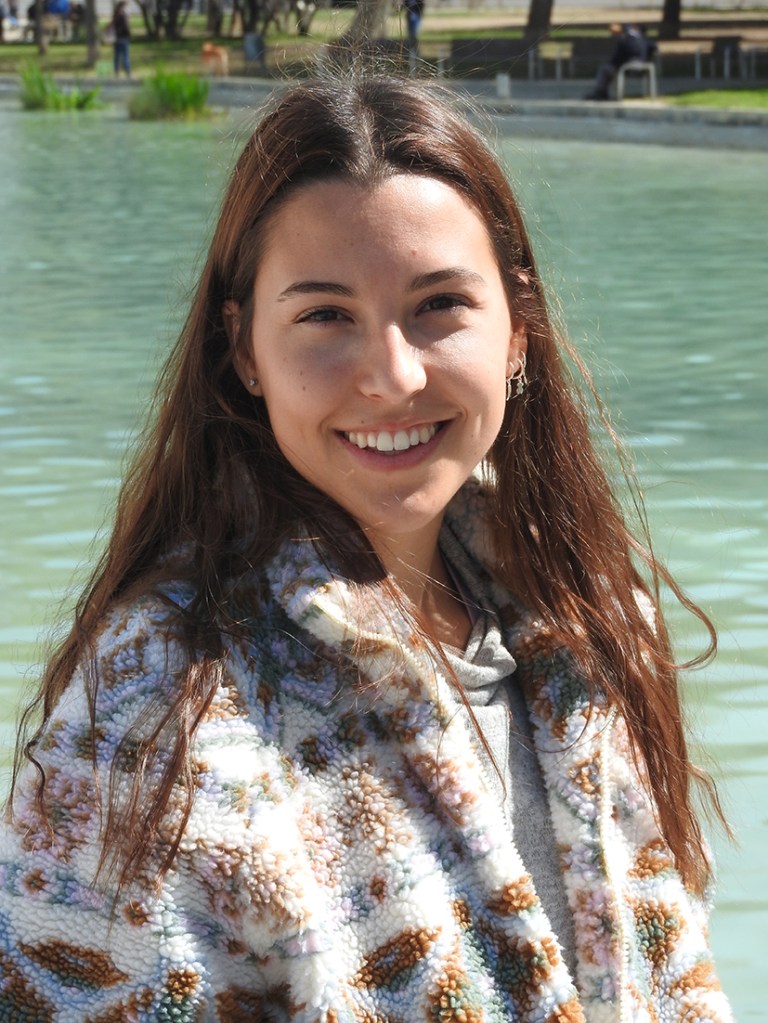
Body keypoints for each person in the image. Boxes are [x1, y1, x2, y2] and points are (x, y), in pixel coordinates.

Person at [0, 76, 734, 1021]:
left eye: (439, 304)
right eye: (325, 315)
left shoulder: (592, 612)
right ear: (245, 350)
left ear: (518, 328)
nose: (392, 375)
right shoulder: (153, 704)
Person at [585, 22, 648, 101]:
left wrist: (613, 63)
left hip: (629, 67)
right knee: (607, 68)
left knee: (604, 69)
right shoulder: (640, 38)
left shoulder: (628, 38)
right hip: (635, 65)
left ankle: (601, 93)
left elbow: (620, 56)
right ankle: (602, 93)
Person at [108, 0, 131, 77]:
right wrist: (129, 34)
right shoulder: (124, 15)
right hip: (123, 37)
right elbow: (126, 27)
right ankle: (127, 71)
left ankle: (116, 71)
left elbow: (111, 25)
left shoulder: (116, 15)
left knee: (117, 56)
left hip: (116, 38)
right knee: (125, 55)